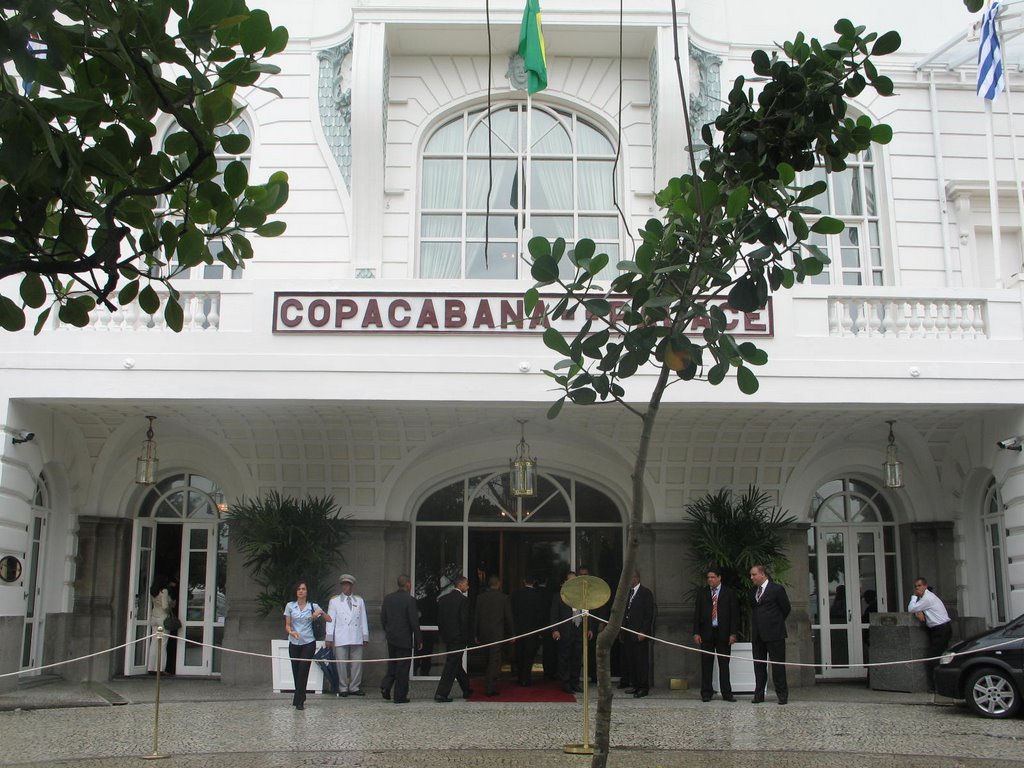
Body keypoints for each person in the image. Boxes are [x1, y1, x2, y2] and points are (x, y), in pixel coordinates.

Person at [692, 566, 739, 702]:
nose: (710, 580)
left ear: (719, 578)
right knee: (706, 663)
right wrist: (696, 632)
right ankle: (706, 692)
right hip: (707, 632)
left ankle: (727, 693)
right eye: (708, 577)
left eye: (713, 577)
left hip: (723, 632)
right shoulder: (703, 593)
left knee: (724, 664)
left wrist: (733, 633)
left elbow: (734, 615)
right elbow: (697, 614)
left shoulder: (729, 593)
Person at [283, 581, 330, 711]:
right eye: (298, 589)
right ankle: (297, 695)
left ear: (307, 591)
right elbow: (287, 624)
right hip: (294, 642)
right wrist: (291, 632)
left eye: (303, 589)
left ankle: (300, 699)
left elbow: (328, 619)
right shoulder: (290, 606)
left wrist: (319, 612)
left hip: (308, 642)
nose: (301, 591)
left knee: (303, 670)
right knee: (296, 670)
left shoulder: (312, 606)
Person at [749, 564, 791, 705]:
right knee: (759, 666)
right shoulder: (753, 591)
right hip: (758, 635)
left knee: (778, 666)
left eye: (754, 574)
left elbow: (785, 608)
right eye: (751, 575)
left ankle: (782, 695)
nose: (752, 577)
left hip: (775, 634)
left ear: (762, 574)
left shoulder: (776, 589)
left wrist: (774, 623)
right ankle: (759, 694)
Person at [380, 574, 421, 704]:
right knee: (403, 668)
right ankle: (399, 696)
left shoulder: (388, 598)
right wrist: (418, 639)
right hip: (404, 639)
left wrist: (388, 631)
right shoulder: (410, 600)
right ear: (408, 584)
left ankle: (386, 685)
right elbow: (414, 621)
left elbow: (383, 618)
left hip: (391, 638)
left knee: (392, 664)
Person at [326, 573, 368, 697]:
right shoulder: (334, 601)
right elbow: (330, 620)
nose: (345, 587)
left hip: (356, 635)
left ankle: (354, 686)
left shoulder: (359, 601)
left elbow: (363, 619)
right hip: (341, 635)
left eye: (348, 584)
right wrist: (329, 637)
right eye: (343, 584)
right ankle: (343, 687)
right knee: (341, 663)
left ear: (351, 586)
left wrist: (365, 636)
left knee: (356, 663)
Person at [907, 576, 952, 692]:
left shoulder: (927, 598)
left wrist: (914, 597)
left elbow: (911, 608)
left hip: (941, 629)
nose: (917, 588)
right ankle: (941, 685)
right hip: (938, 629)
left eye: (920, 586)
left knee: (933, 658)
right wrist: (919, 610)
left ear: (925, 586)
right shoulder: (926, 598)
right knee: (939, 657)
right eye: (916, 586)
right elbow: (917, 609)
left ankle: (936, 687)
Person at [433, 575, 473, 702]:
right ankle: (441, 693)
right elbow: (464, 621)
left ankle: (466, 688)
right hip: (458, 638)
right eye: (466, 584)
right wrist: (467, 639)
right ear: (460, 585)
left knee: (456, 664)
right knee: (451, 665)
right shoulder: (463, 600)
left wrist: (443, 635)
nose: (468, 586)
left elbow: (440, 620)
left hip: (448, 637)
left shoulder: (443, 599)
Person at [474, 575, 514, 696]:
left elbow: (476, 617)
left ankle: (488, 683)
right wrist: (512, 633)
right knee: (494, 661)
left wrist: (476, 634)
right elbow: (509, 618)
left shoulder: (480, 598)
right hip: (497, 634)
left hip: (484, 633)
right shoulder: (504, 598)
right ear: (499, 584)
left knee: (487, 659)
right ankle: (490, 687)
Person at [510, 574, 548, 686]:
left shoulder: (516, 595)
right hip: (533, 631)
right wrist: (540, 631)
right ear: (534, 581)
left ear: (523, 581)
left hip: (519, 630)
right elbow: (540, 615)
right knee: (529, 655)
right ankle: (526, 679)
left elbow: (512, 613)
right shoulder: (538, 596)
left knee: (520, 654)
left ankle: (520, 677)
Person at [622, 570, 655, 698]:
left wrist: (644, 631)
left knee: (641, 661)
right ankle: (635, 684)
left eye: (630, 578)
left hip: (640, 633)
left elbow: (649, 615)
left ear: (636, 578)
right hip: (629, 633)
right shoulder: (628, 593)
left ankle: (643, 687)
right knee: (632, 660)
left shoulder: (646, 593)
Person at [551, 571, 584, 693]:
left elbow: (587, 613)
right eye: (570, 580)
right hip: (565, 631)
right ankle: (565, 683)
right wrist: (555, 630)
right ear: (565, 582)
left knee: (577, 658)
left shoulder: (582, 595)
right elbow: (554, 614)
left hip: (579, 629)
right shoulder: (558, 596)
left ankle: (575, 682)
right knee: (565, 657)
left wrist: (589, 628)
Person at [147, 576, 177, 675]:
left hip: (154, 617)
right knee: (163, 644)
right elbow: (165, 607)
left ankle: (151, 667)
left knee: (154, 643)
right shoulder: (164, 591)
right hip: (163, 619)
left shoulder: (153, 591)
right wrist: (171, 605)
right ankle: (160, 669)